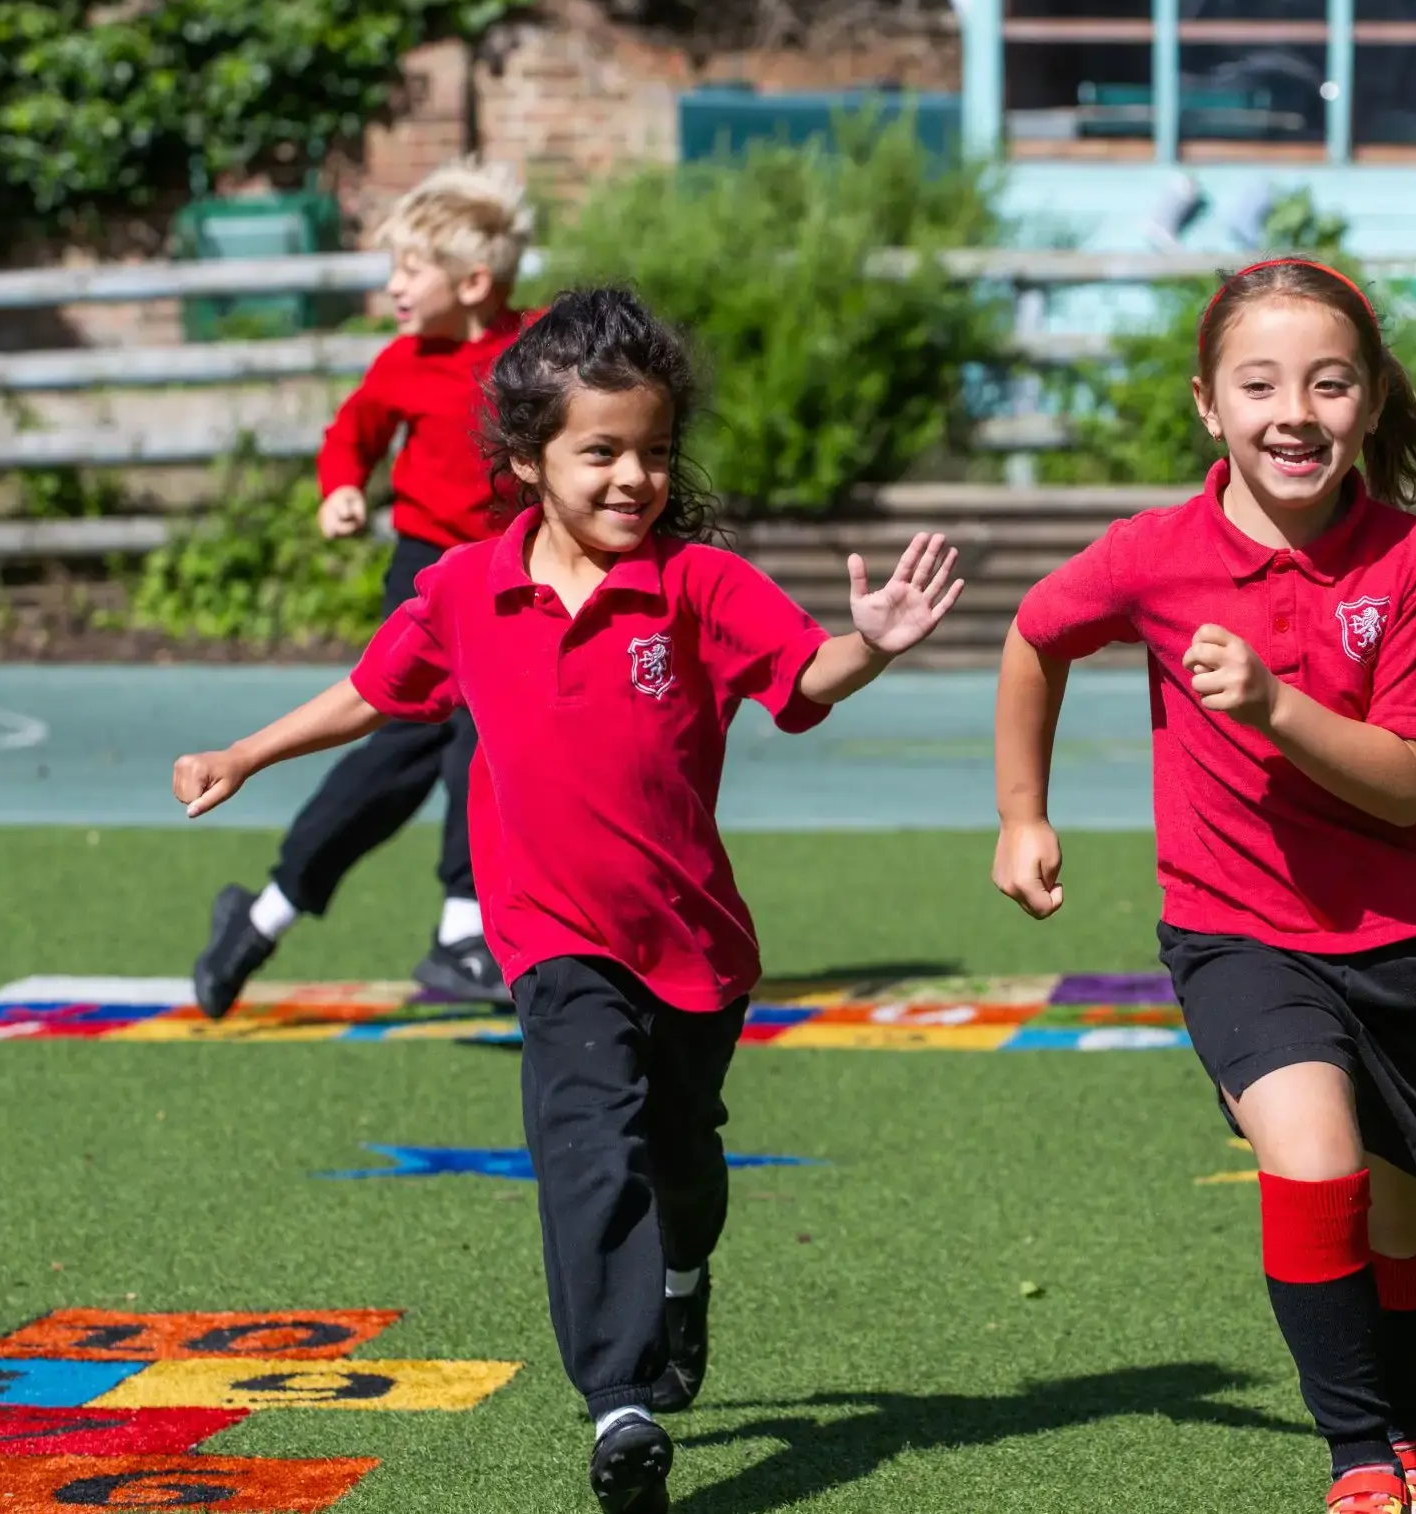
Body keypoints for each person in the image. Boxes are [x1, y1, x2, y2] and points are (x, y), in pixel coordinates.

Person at [171, 287, 964, 1514]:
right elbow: (376, 693)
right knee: (585, 1147)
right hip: (550, 938)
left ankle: (686, 1274)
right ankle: (622, 1399)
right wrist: (245, 752)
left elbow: (803, 677)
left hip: (692, 944)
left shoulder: (698, 582)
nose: (633, 477)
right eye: (601, 452)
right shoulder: (463, 591)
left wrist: (871, 643)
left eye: (652, 452)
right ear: (528, 459)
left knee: (683, 1158)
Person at [992, 258, 1416, 1514]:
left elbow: (1404, 786)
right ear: (1208, 405)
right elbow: (1035, 635)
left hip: (1401, 936)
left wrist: (1272, 704)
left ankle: (1409, 1426)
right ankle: (1361, 1462)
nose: (1293, 411)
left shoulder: (1412, 560)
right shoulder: (1150, 556)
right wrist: (1022, 813)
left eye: (1328, 382)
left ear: (1369, 401)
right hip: (1234, 934)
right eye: (1257, 382)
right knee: (1312, 1163)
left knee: (1404, 1220)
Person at [188, 160, 538, 1017]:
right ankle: (426, 929)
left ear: (475, 282)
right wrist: (341, 486)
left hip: (513, 573)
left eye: (409, 270)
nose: (392, 287)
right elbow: (351, 434)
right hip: (427, 570)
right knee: (416, 739)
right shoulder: (402, 365)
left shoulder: (541, 348)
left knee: (484, 733)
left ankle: (275, 920)